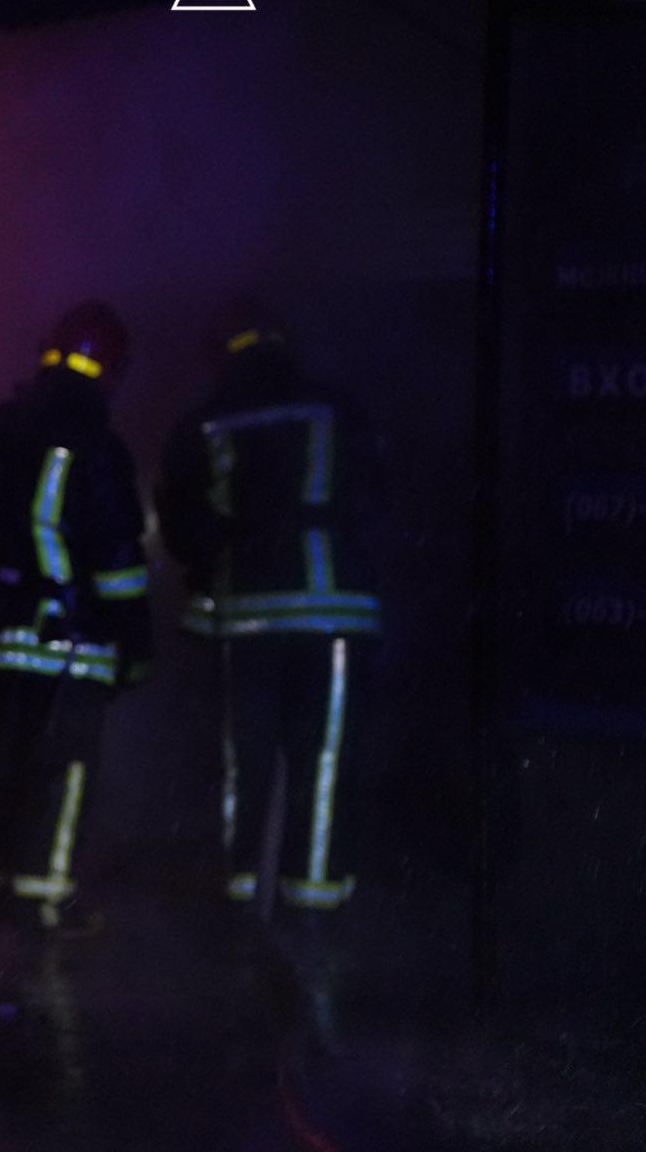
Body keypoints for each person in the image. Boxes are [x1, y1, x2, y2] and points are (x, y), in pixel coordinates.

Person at [0, 301, 152, 928]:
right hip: (69, 636)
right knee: (64, 767)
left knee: (5, 763)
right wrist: (135, 643)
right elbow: (117, 560)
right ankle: (44, 903)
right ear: (109, 367)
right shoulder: (95, 440)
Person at [159, 312, 383, 911]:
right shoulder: (337, 407)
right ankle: (315, 890)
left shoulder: (203, 421)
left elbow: (184, 524)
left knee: (245, 753)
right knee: (325, 753)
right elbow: (378, 493)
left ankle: (245, 883)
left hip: (246, 614)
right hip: (331, 607)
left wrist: (222, 556)